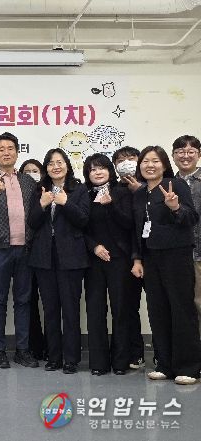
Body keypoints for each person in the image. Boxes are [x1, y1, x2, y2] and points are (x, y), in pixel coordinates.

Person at [131, 145, 201, 385]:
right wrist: (137, 259)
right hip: (150, 258)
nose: (150, 165)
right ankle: (164, 363)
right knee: (157, 310)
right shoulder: (140, 193)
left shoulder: (176, 185)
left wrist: (176, 207)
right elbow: (136, 229)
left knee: (181, 309)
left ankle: (189, 367)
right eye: (145, 161)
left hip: (176, 256)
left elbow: (191, 218)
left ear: (164, 164)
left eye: (155, 161)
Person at [0, 133, 38, 369]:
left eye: (10, 148)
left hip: (25, 249)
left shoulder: (28, 182)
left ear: (17, 152)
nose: (6, 152)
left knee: (23, 300)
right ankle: (0, 351)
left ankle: (22, 350)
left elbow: (36, 214)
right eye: (1, 149)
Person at [28, 148, 89, 374]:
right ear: (46, 168)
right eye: (51, 163)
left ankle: (71, 359)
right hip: (44, 257)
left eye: (60, 162)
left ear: (67, 165)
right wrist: (42, 204)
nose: (56, 166)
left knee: (70, 310)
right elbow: (32, 222)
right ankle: (53, 357)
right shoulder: (39, 190)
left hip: (71, 258)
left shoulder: (79, 189)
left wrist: (66, 202)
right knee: (50, 309)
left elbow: (84, 220)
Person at [83, 153, 132, 376]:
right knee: (95, 310)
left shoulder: (121, 191)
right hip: (94, 260)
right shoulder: (84, 194)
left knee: (120, 309)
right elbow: (79, 227)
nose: (97, 172)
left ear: (110, 170)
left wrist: (111, 205)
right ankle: (99, 362)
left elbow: (129, 223)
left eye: (101, 167)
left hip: (119, 259)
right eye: (92, 169)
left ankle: (121, 362)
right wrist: (94, 247)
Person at [111, 146, 147, 370]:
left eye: (130, 158)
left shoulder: (152, 185)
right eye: (120, 160)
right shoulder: (114, 190)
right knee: (129, 307)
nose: (126, 162)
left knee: (162, 306)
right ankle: (136, 352)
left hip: (154, 254)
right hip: (126, 257)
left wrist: (140, 191)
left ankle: (167, 355)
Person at [171, 135, 201, 334]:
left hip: (199, 253)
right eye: (180, 151)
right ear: (173, 155)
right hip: (176, 256)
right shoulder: (168, 182)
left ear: (199, 154)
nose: (185, 156)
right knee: (182, 305)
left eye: (191, 151)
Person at [18, 159, 47, 361]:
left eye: (35, 170)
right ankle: (34, 346)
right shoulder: (18, 191)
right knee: (28, 301)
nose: (31, 174)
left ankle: (52, 346)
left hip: (46, 253)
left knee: (50, 302)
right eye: (26, 171)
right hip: (25, 253)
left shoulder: (49, 191)